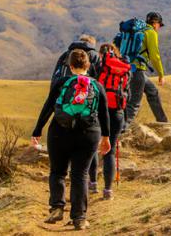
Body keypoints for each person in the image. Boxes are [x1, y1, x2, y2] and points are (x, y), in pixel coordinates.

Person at [32, 49, 112, 230]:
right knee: (80, 174)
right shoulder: (97, 86)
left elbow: (48, 108)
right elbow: (104, 114)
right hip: (89, 134)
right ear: (88, 66)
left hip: (60, 132)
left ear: (70, 66)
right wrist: (106, 137)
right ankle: (79, 218)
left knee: (58, 172)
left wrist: (37, 130)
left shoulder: (61, 83)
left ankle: (57, 208)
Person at [88, 43, 129, 200]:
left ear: (101, 54)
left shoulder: (98, 67)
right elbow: (128, 94)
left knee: (93, 147)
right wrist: (124, 118)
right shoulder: (124, 69)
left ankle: (92, 184)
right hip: (118, 113)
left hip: (99, 111)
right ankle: (108, 191)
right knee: (110, 151)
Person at [123, 12, 168, 127]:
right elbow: (155, 56)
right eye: (159, 25)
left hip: (127, 69)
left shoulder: (136, 31)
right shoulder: (150, 32)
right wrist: (161, 74)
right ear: (155, 23)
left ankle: (163, 123)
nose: (159, 28)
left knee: (153, 92)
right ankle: (122, 131)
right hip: (137, 70)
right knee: (133, 104)